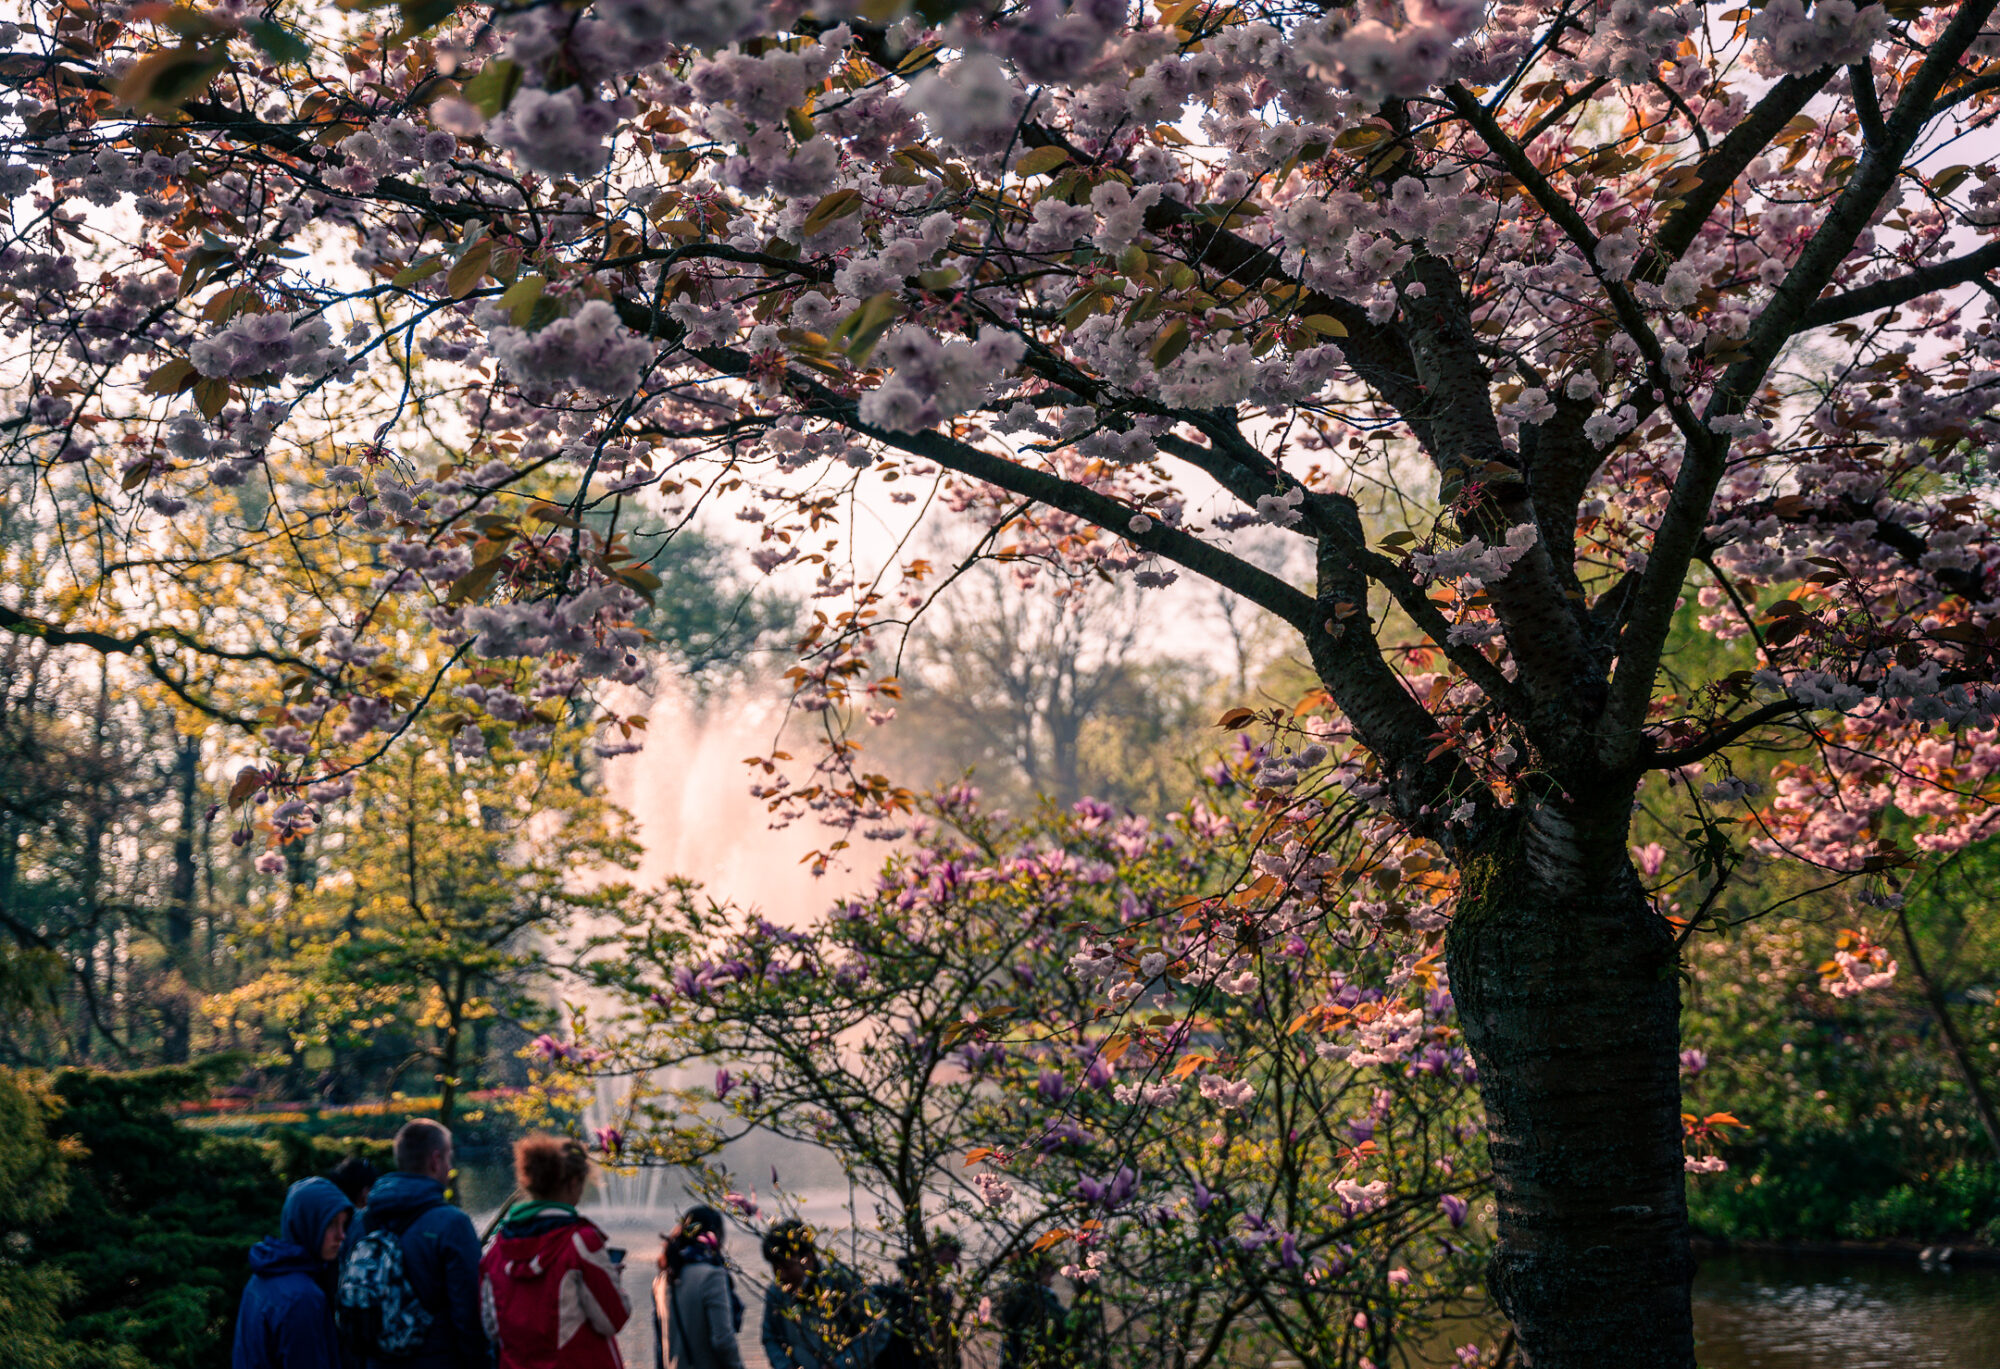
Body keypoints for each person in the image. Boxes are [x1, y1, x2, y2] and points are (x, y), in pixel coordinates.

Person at [338, 1118, 492, 1369]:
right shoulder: (452, 1224)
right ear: (435, 1160)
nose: (449, 1166)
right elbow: (470, 1318)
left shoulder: (359, 1223)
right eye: (448, 1158)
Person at [232, 1176, 353, 1369]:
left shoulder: (263, 1274)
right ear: (307, 1223)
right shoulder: (302, 1297)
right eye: (331, 1224)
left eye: (343, 1224)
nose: (341, 1235)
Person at [758, 1220, 888, 1369]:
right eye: (775, 1268)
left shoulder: (842, 1282)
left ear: (808, 1259)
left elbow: (880, 1326)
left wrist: (841, 1364)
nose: (780, 1276)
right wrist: (784, 1366)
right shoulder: (776, 1293)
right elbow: (770, 1337)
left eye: (786, 1267)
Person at [651, 1206, 744, 1369]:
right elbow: (723, 1340)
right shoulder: (711, 1276)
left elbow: (660, 1343)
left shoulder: (661, 1280)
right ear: (716, 1235)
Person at [871, 1237, 960, 1369]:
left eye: (951, 1262)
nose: (949, 1264)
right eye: (946, 1260)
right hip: (900, 1352)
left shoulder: (939, 1293)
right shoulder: (909, 1285)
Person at [995, 1253, 1066, 1369]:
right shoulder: (1042, 1298)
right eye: (1048, 1268)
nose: (1053, 1273)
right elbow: (1067, 1324)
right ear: (1036, 1271)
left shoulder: (1013, 1296)